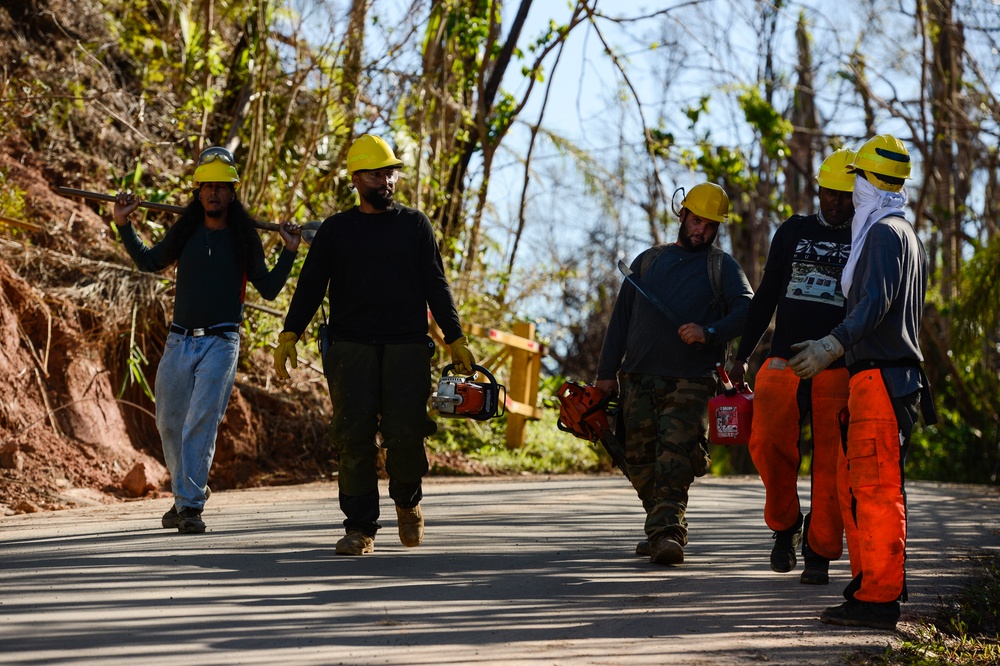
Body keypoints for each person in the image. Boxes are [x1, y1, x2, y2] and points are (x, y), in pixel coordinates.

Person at [273, 134, 475, 556]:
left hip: (406, 347)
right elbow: (310, 286)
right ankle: (360, 526)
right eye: (377, 174)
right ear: (357, 178)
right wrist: (290, 332)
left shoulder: (414, 225)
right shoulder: (335, 230)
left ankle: (407, 500)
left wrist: (454, 338)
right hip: (350, 348)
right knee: (353, 437)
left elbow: (436, 285)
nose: (386, 181)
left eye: (390, 173)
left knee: (405, 433)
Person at [113, 146, 301, 534]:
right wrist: (123, 225)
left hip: (221, 341)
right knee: (168, 421)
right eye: (207, 186)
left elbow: (267, 290)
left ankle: (190, 507)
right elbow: (150, 261)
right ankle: (186, 494)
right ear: (198, 192)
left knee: (200, 421)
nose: (214, 192)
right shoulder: (186, 232)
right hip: (180, 340)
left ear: (233, 193)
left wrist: (289, 252)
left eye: (222, 186)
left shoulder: (245, 238)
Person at [788, 134, 935, 630]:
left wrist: (831, 343)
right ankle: (877, 584)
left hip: (881, 376)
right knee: (871, 488)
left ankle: (878, 599)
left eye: (855, 180)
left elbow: (874, 304)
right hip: (885, 379)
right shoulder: (906, 233)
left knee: (874, 490)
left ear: (868, 184)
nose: (850, 192)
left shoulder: (883, 234)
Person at [596, 182, 753, 566]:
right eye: (696, 219)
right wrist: (605, 374)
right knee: (639, 459)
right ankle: (659, 523)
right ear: (681, 214)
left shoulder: (722, 267)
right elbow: (620, 322)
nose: (701, 229)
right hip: (636, 376)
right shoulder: (648, 260)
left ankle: (668, 533)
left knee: (674, 458)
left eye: (710, 224)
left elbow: (750, 311)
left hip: (691, 379)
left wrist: (709, 332)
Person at [729, 149, 856, 584]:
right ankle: (785, 526)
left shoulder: (865, 236)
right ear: (817, 189)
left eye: (844, 194)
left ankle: (819, 551)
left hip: (835, 361)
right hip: (783, 357)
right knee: (764, 442)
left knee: (831, 462)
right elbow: (765, 295)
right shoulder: (793, 231)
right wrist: (743, 354)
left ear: (857, 194)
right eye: (828, 192)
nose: (835, 201)